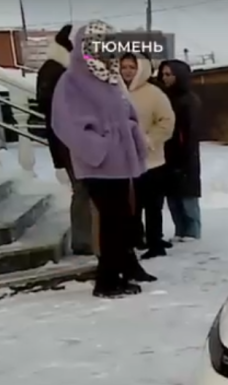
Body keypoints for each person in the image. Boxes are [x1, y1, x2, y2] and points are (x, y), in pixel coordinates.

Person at [51, 21, 154, 298]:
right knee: (110, 222)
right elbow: (64, 123)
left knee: (121, 221)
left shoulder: (109, 77)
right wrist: (98, 146)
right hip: (98, 164)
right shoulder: (72, 80)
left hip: (120, 162)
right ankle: (106, 282)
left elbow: (125, 113)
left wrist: (131, 132)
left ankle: (118, 274)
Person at [35, 24, 97, 256]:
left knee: (84, 189)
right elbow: (56, 110)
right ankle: (84, 241)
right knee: (83, 189)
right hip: (70, 142)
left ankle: (88, 238)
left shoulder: (58, 69)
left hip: (73, 140)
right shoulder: (56, 71)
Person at [120, 54, 176, 258]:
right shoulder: (115, 91)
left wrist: (149, 140)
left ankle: (155, 242)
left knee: (152, 206)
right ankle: (136, 238)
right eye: (124, 67)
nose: (127, 71)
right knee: (131, 205)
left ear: (141, 69)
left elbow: (167, 121)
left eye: (132, 67)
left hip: (151, 161)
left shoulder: (154, 93)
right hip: (124, 161)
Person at [158, 59, 202, 241]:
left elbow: (189, 132)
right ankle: (180, 231)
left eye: (169, 74)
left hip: (184, 156)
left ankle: (192, 232)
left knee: (187, 197)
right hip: (167, 155)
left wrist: (183, 155)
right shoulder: (163, 97)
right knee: (173, 197)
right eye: (163, 74)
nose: (165, 78)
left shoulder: (188, 101)